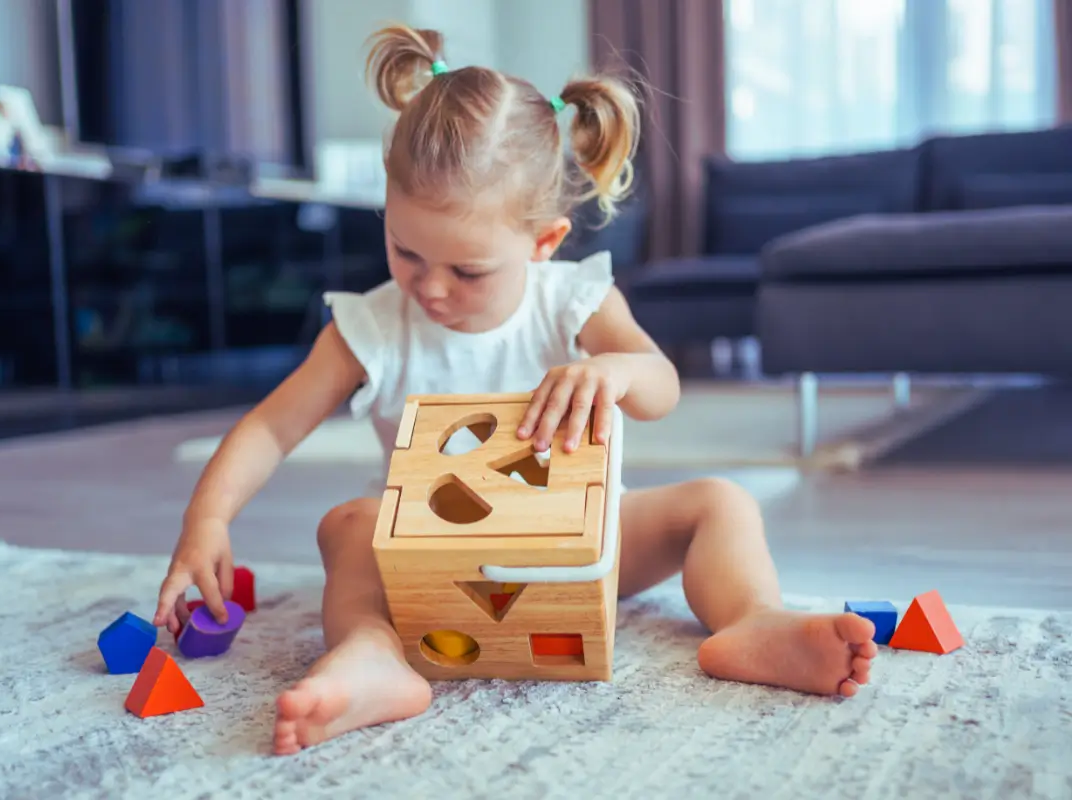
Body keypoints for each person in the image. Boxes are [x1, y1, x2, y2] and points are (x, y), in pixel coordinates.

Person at [153, 23, 878, 756]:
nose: (431, 287)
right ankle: (373, 651)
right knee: (348, 524)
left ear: (544, 242)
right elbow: (272, 427)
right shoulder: (368, 327)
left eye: (467, 270)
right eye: (405, 250)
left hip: (581, 548)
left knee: (722, 503)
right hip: (426, 565)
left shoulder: (574, 302)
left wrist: (615, 371)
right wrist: (206, 519)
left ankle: (751, 619)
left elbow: (661, 388)